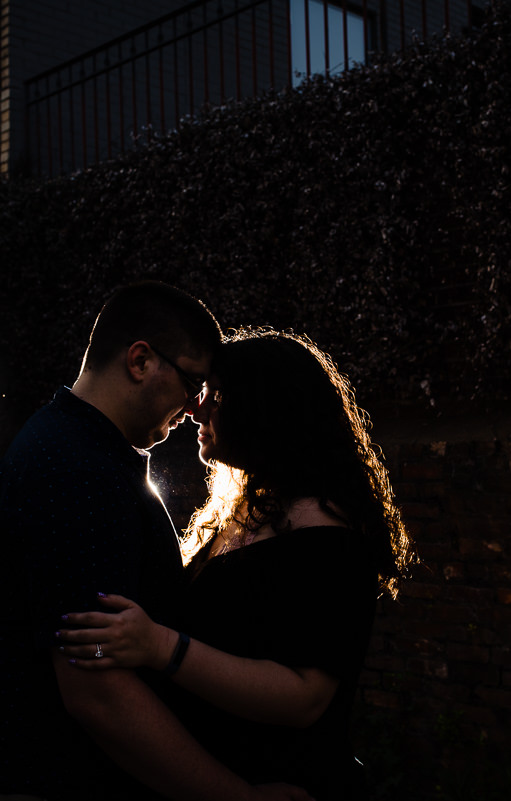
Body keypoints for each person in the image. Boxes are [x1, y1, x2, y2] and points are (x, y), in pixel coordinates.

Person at [0, 283, 310, 801]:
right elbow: (97, 690)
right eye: (193, 383)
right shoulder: (75, 470)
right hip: (9, 780)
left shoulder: (83, 450)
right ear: (141, 361)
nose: (195, 407)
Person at [57, 328, 416, 800]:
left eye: (217, 395)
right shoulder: (242, 511)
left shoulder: (326, 532)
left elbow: (305, 696)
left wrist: (160, 646)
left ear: (267, 409)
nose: (195, 407)